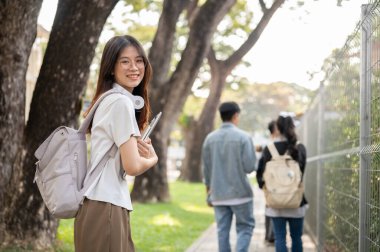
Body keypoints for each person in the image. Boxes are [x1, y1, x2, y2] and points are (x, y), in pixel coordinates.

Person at [74, 35, 158, 252]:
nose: (134, 67)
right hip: (106, 207)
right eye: (125, 61)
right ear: (111, 68)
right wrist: (152, 159)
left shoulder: (108, 98)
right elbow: (132, 166)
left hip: (98, 205)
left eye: (139, 60)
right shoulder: (120, 103)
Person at [202, 101, 257, 252]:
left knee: (222, 231)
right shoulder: (244, 137)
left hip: (218, 195)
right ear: (235, 116)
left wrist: (208, 192)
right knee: (245, 228)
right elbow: (250, 167)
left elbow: (206, 170)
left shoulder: (209, 139)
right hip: (241, 194)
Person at [256, 115, 307, 252]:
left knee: (279, 238)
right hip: (296, 200)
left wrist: (266, 189)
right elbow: (302, 172)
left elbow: (260, 174)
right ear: (293, 127)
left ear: (277, 128)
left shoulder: (269, 149)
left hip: (275, 201)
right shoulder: (299, 148)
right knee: (297, 238)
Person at [257, 120, 280, 245]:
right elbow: (261, 166)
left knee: (273, 208)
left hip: (280, 184)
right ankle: (270, 235)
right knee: (270, 208)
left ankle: (272, 235)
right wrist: (262, 183)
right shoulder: (269, 146)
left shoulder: (286, 145)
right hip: (270, 184)